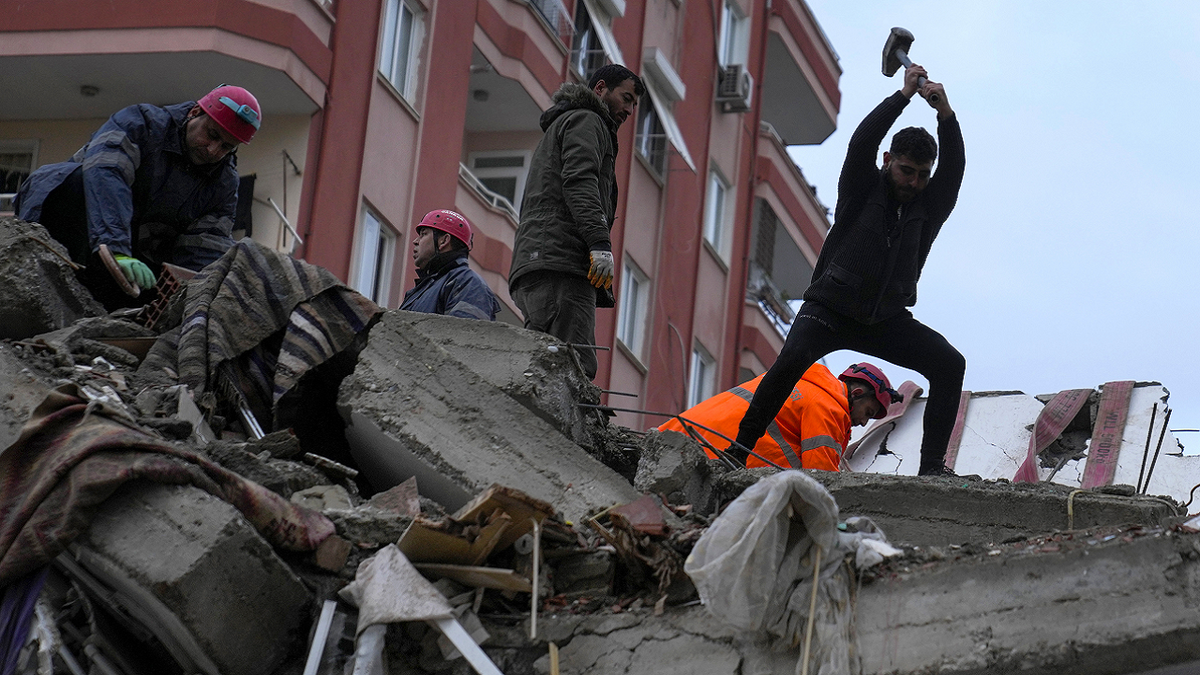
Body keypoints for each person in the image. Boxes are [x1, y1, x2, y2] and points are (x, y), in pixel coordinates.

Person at [729, 63, 965, 476]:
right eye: (906, 171)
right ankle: (737, 451)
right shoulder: (861, 189)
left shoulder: (930, 208)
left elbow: (955, 169)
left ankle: (931, 469)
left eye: (922, 175)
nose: (913, 182)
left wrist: (946, 114)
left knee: (950, 364)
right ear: (889, 160)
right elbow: (863, 141)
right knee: (790, 362)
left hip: (885, 319)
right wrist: (903, 96)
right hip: (830, 308)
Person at [15, 84, 261, 307]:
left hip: (132, 258)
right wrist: (115, 248)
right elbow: (107, 178)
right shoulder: (140, 124)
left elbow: (206, 247)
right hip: (69, 225)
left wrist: (192, 297)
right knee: (81, 181)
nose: (213, 150)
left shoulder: (223, 184)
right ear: (194, 112)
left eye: (226, 147)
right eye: (212, 134)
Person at [508, 64, 643, 379]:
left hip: (541, 261)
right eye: (625, 98)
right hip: (562, 264)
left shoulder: (568, 123)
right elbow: (580, 181)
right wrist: (599, 243)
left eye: (634, 104)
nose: (629, 109)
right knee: (573, 369)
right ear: (599, 90)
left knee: (544, 364)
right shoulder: (587, 121)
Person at [661, 363, 899, 471]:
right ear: (857, 393)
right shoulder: (829, 406)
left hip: (673, 439)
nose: (863, 423)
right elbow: (822, 478)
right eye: (868, 412)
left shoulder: (797, 379)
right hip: (708, 460)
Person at [399, 209, 500, 320]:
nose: (415, 241)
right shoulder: (415, 293)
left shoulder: (468, 283)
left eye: (423, 234)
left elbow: (466, 332)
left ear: (444, 241)